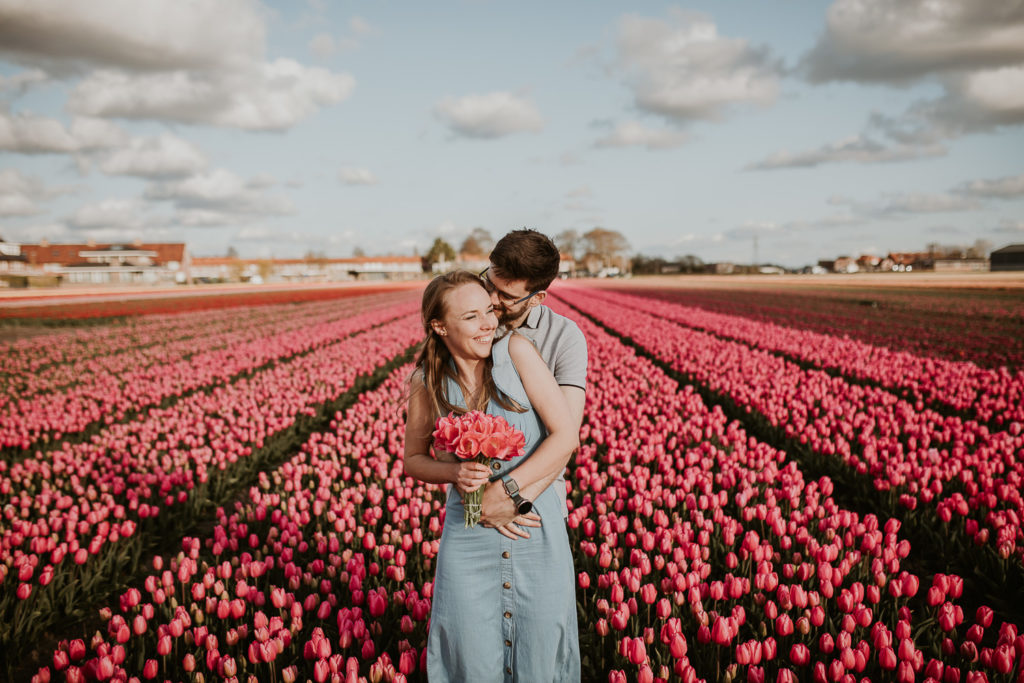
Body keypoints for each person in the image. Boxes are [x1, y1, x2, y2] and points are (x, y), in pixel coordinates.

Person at [403, 269, 581, 681]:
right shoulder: (426, 381)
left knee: (540, 648)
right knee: (470, 650)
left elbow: (566, 435)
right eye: (471, 317)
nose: (488, 323)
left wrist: (507, 492)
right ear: (439, 325)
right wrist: (453, 470)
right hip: (467, 538)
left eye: (488, 311)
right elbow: (413, 459)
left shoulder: (517, 351)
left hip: (532, 526)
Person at [477, 229, 588, 532]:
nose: (491, 299)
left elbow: (566, 436)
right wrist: (480, 499)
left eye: (507, 296)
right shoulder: (469, 321)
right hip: (474, 499)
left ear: (537, 298)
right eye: (489, 283)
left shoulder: (564, 337)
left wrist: (512, 498)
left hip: (535, 500)